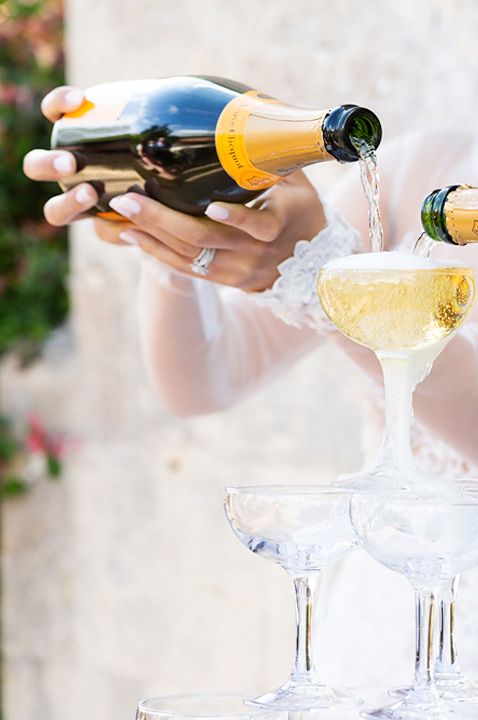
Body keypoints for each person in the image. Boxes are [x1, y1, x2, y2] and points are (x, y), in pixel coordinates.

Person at [24, 85, 478, 685]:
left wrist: (318, 280)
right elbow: (205, 382)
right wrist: (167, 225)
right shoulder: (419, 167)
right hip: (381, 614)